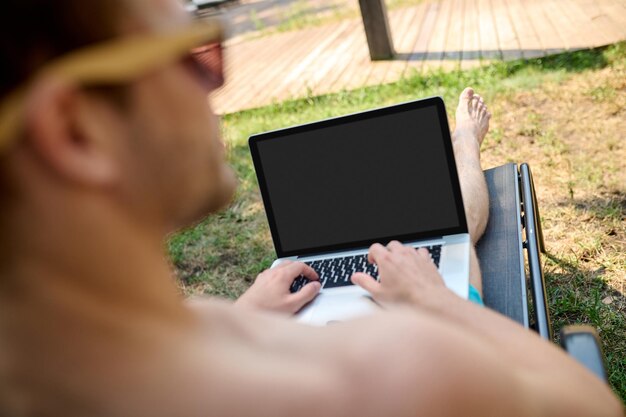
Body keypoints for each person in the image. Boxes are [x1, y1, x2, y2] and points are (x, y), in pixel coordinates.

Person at [0, 0, 621, 416]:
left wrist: (243, 311)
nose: (216, 86)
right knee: (460, 229)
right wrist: (433, 301)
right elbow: (589, 401)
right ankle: (465, 143)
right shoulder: (392, 376)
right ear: (77, 132)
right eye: (197, 52)